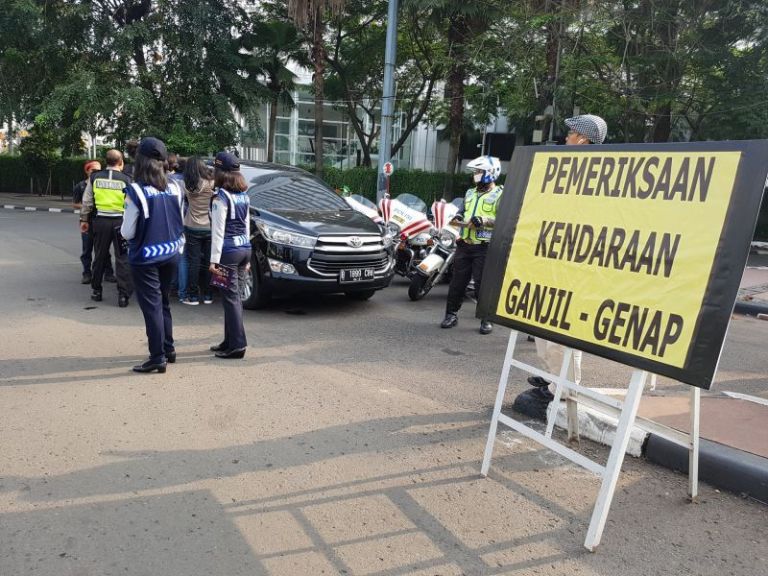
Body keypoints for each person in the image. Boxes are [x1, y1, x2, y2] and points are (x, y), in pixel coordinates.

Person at [516, 114, 608, 419]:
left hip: (572, 269)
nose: (566, 137)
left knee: (561, 335)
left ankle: (563, 391)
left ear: (583, 140)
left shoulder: (594, 174)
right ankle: (552, 379)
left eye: (571, 134)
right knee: (544, 329)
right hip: (551, 264)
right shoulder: (567, 170)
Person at [120, 137, 185, 373]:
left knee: (152, 307)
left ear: (141, 161)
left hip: (146, 257)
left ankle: (157, 356)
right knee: (164, 301)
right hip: (171, 253)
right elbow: (178, 220)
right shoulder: (176, 187)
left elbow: (127, 231)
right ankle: (169, 349)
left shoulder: (136, 191)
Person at [440, 155, 503, 335]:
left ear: (490, 173)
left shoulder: (500, 194)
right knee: (457, 283)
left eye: (478, 172)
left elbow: (504, 218)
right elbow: (462, 212)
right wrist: (458, 218)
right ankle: (451, 315)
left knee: (482, 285)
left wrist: (484, 220)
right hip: (464, 244)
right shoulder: (470, 193)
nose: (475, 175)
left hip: (483, 246)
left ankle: (486, 319)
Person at [208, 151, 251, 359]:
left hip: (227, 252)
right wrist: (249, 257)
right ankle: (229, 340)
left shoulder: (221, 198)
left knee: (230, 298)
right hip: (244, 250)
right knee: (233, 298)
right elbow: (246, 226)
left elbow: (218, 230)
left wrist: (213, 260)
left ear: (220, 172)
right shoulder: (244, 195)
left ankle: (237, 345)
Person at [80, 150, 133, 306]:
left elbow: (87, 201)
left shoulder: (95, 177)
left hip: (101, 221)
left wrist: (84, 219)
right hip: (120, 223)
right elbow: (131, 202)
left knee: (100, 256)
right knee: (122, 258)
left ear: (106, 162)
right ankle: (123, 296)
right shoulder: (127, 179)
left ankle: (97, 291)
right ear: (121, 162)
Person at [73, 160, 114, 284]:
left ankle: (109, 273)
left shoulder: (102, 184)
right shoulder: (80, 186)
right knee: (87, 249)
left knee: (104, 249)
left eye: (99, 170)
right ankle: (87, 273)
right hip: (87, 221)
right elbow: (75, 204)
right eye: (93, 170)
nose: (97, 173)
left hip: (101, 221)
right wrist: (87, 206)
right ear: (87, 171)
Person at [181, 156, 215, 305]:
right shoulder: (211, 183)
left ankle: (193, 296)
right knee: (208, 261)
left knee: (193, 262)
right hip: (209, 226)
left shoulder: (186, 185)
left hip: (191, 225)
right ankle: (208, 295)